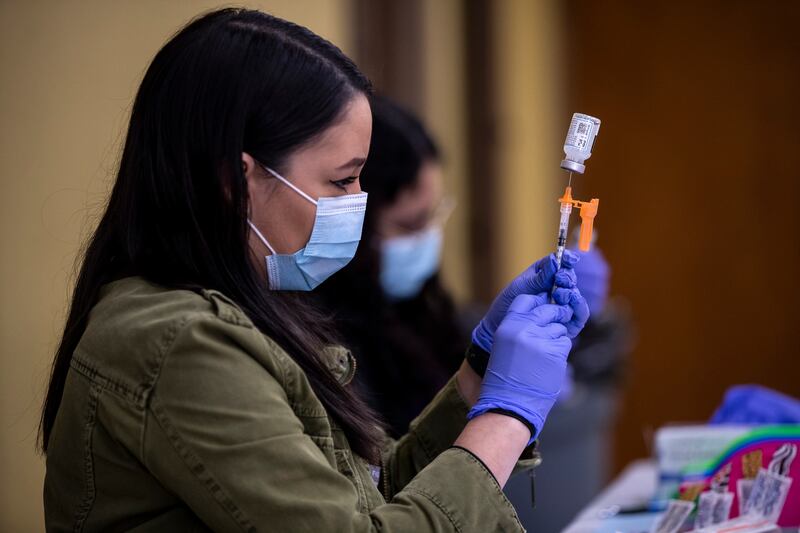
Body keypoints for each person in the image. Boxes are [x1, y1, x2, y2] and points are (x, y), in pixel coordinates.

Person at [39, 9, 589, 532]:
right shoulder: (182, 341)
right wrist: (507, 417)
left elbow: (367, 503)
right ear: (236, 179)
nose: (358, 202)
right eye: (341, 180)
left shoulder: (244, 307)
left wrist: (479, 376)